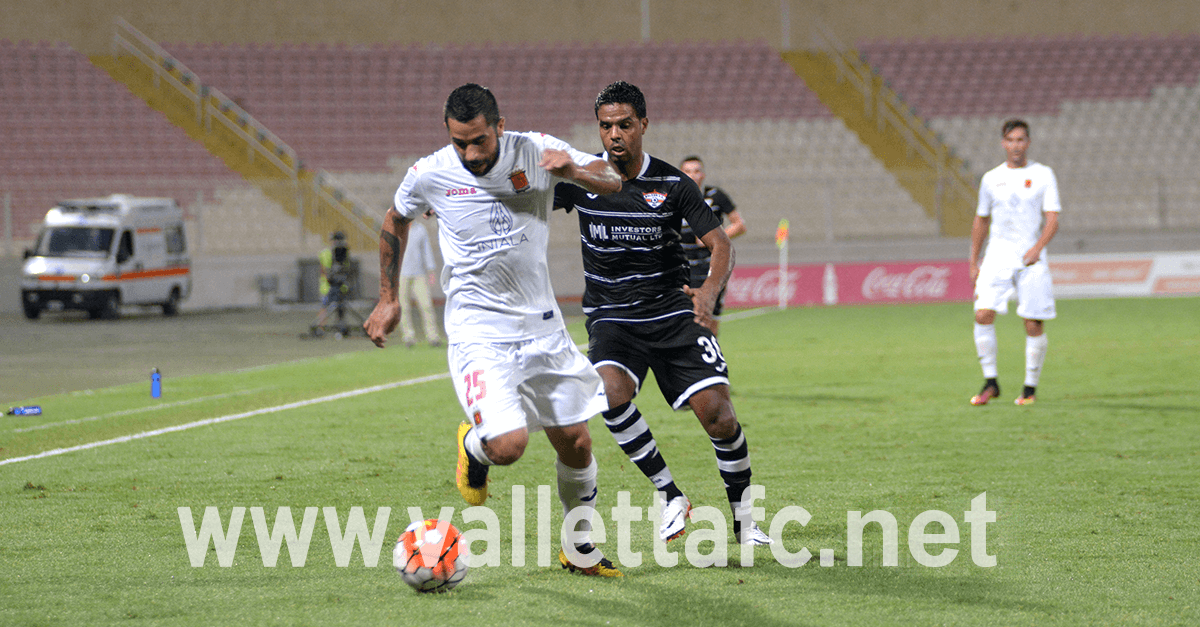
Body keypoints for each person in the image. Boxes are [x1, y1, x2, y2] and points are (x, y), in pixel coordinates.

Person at [363, 83, 623, 577]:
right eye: (460, 142)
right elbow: (395, 218)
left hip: (543, 330)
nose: (470, 152)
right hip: (479, 334)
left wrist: (574, 171)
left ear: (500, 126)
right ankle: (473, 446)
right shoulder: (429, 173)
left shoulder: (536, 150)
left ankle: (578, 548)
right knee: (509, 447)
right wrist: (389, 297)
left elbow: (612, 175)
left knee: (578, 443)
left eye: (479, 140)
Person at [553, 81, 772, 546]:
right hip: (612, 317)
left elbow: (721, 243)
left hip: (673, 312)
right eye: (606, 126)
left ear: (644, 126)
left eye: (625, 125)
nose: (615, 135)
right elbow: (519, 199)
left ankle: (746, 524)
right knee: (608, 395)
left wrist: (710, 290)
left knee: (720, 416)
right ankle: (670, 494)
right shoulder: (580, 180)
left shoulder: (673, 184)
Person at [969, 119, 1060, 406]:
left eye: (1021, 140)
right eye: (1011, 140)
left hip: (1030, 258)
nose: (1016, 145)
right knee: (982, 314)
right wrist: (973, 259)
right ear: (1003, 143)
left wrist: (1038, 247)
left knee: (1032, 323)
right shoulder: (991, 178)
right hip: (997, 255)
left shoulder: (1043, 174)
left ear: (1028, 143)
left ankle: (1029, 389)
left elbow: (1053, 218)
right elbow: (981, 219)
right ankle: (991, 382)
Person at [678, 155, 746, 336]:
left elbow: (739, 225)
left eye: (697, 171)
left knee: (711, 321)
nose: (693, 175)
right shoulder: (674, 197)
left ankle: (709, 358)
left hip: (712, 268)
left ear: (703, 174)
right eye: (688, 171)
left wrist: (714, 237)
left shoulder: (715, 196)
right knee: (690, 319)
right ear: (681, 174)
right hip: (684, 269)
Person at [397, 213, 444, 348]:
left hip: (419, 273)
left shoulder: (420, 229)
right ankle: (408, 337)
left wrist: (431, 270)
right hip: (401, 274)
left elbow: (426, 250)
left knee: (426, 305)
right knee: (403, 307)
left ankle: (433, 336)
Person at [313, 231, 351, 334]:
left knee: (327, 307)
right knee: (335, 306)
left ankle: (322, 327)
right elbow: (346, 268)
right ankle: (334, 325)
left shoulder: (325, 253)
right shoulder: (340, 253)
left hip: (329, 284)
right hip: (332, 284)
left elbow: (322, 270)